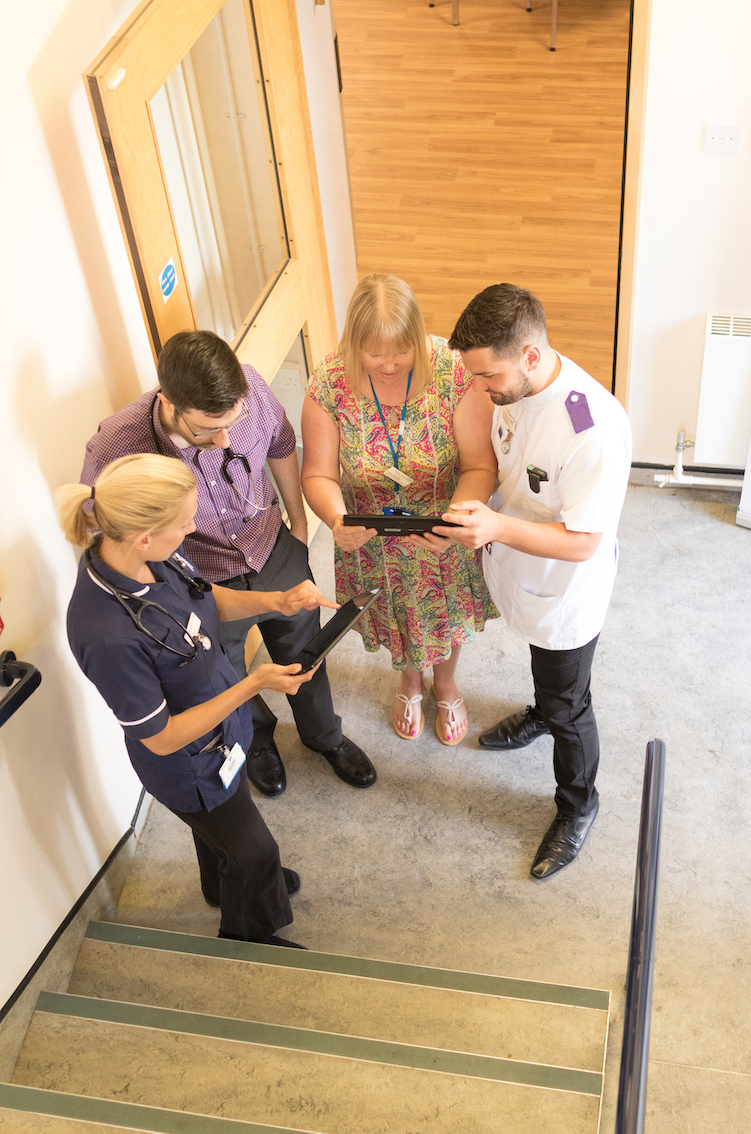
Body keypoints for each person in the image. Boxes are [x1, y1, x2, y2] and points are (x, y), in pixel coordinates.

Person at [57, 454, 340, 946]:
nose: (193, 529)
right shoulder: (107, 635)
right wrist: (253, 686)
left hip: (223, 729)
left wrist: (278, 600)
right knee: (257, 854)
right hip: (190, 763)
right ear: (145, 535)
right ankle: (248, 933)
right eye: (185, 523)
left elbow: (203, 597)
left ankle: (220, 882)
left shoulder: (150, 556)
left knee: (229, 843)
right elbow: (161, 738)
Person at [80, 330, 376, 799]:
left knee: (307, 648)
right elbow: (107, 535)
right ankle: (257, 741)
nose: (222, 440)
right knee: (226, 671)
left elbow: (280, 444)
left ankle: (325, 736)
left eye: (231, 424)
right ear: (169, 402)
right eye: (206, 430)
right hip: (201, 579)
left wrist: (299, 527)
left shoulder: (252, 388)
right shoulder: (117, 447)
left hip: (272, 547)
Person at [442, 283, 632, 879]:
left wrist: (494, 524)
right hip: (520, 571)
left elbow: (584, 542)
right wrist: (470, 517)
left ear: (529, 356)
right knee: (544, 672)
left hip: (564, 594)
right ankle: (542, 711)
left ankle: (578, 805)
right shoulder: (510, 388)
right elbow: (501, 468)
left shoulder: (591, 428)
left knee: (570, 702)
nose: (480, 390)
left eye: (487, 376)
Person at [301, 274, 498, 745]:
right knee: (395, 614)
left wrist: (453, 520)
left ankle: (446, 684)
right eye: (374, 354)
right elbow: (318, 476)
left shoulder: (452, 372)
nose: (389, 365)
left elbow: (479, 465)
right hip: (370, 539)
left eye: (401, 351)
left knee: (444, 616)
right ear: (353, 345)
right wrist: (335, 519)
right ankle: (409, 681)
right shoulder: (329, 384)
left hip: (443, 524)